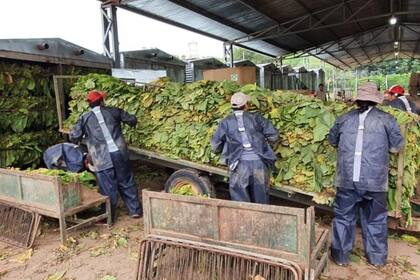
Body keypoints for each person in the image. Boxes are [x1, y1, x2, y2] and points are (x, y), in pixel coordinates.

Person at [328, 82, 404, 267]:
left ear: (357, 101)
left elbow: (333, 140)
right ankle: (377, 259)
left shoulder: (344, 119)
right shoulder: (387, 120)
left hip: (347, 180)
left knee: (344, 218)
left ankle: (340, 257)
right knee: (375, 220)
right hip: (375, 181)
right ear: (375, 101)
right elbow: (397, 147)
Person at [70, 90, 142, 223]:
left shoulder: (84, 118)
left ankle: (109, 217)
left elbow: (74, 136)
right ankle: (135, 211)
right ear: (102, 101)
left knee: (108, 187)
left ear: (89, 104)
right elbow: (132, 120)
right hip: (119, 153)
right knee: (126, 181)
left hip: (101, 157)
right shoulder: (114, 111)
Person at [211, 92, 278, 204]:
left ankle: (245, 220)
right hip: (259, 165)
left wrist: (224, 149)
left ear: (232, 106)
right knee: (261, 197)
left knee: (240, 199)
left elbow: (215, 146)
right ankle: (261, 219)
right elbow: (273, 136)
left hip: (239, 166)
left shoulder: (226, 122)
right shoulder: (256, 118)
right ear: (246, 105)